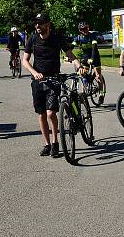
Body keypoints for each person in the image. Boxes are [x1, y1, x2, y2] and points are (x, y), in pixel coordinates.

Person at [22, 13, 82, 158]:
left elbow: (70, 55)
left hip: (54, 80)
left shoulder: (56, 38)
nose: (37, 26)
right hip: (37, 81)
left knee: (51, 113)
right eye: (36, 23)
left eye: (41, 23)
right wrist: (34, 72)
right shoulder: (33, 39)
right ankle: (47, 144)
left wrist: (78, 66)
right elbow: (25, 60)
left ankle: (55, 143)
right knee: (42, 114)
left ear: (47, 25)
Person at [73, 21, 106, 102]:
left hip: (94, 57)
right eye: (82, 29)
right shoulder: (78, 38)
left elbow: (94, 48)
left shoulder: (92, 36)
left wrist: (92, 58)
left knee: (98, 76)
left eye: (86, 28)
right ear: (80, 30)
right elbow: (71, 46)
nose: (85, 30)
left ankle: (101, 94)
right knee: (83, 74)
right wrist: (67, 56)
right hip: (85, 58)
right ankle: (84, 94)